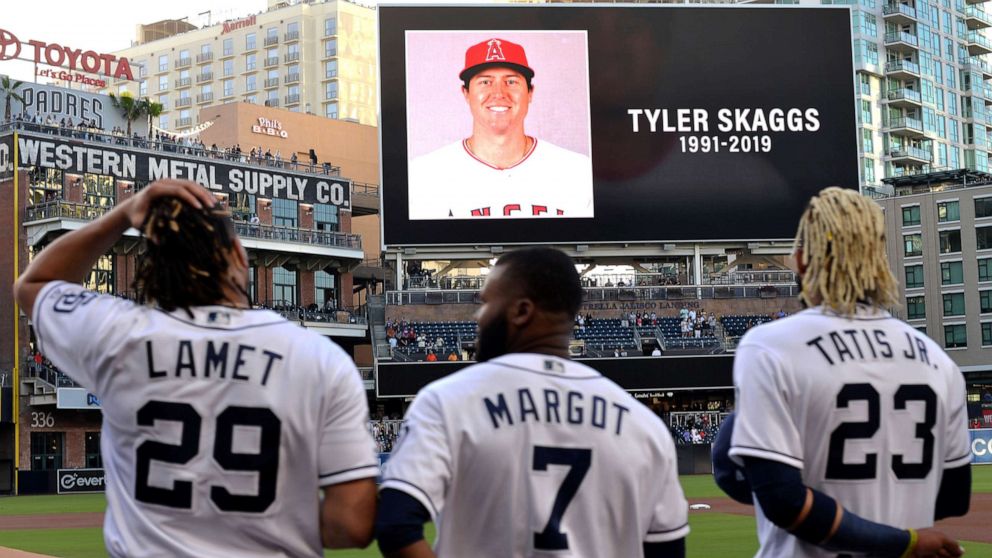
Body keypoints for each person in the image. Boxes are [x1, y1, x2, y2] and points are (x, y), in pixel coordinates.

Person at [12, 179, 378, 557]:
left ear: (151, 267)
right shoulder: (318, 358)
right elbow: (352, 523)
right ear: (238, 255)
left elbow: (34, 284)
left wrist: (122, 215)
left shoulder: (118, 335)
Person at [375, 248, 688, 558]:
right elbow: (668, 551)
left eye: (485, 303)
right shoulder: (644, 427)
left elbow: (395, 525)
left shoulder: (447, 402)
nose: (477, 316)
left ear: (521, 311)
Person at [716, 187, 971, 558]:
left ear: (801, 261)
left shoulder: (772, 345)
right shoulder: (938, 361)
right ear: (877, 259)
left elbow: (781, 498)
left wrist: (902, 543)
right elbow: (952, 496)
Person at [408, 38, 593, 220]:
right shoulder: (424, 174)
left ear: (530, 92)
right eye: (485, 82)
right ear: (466, 93)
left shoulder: (578, 171)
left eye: (511, 81)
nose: (498, 93)